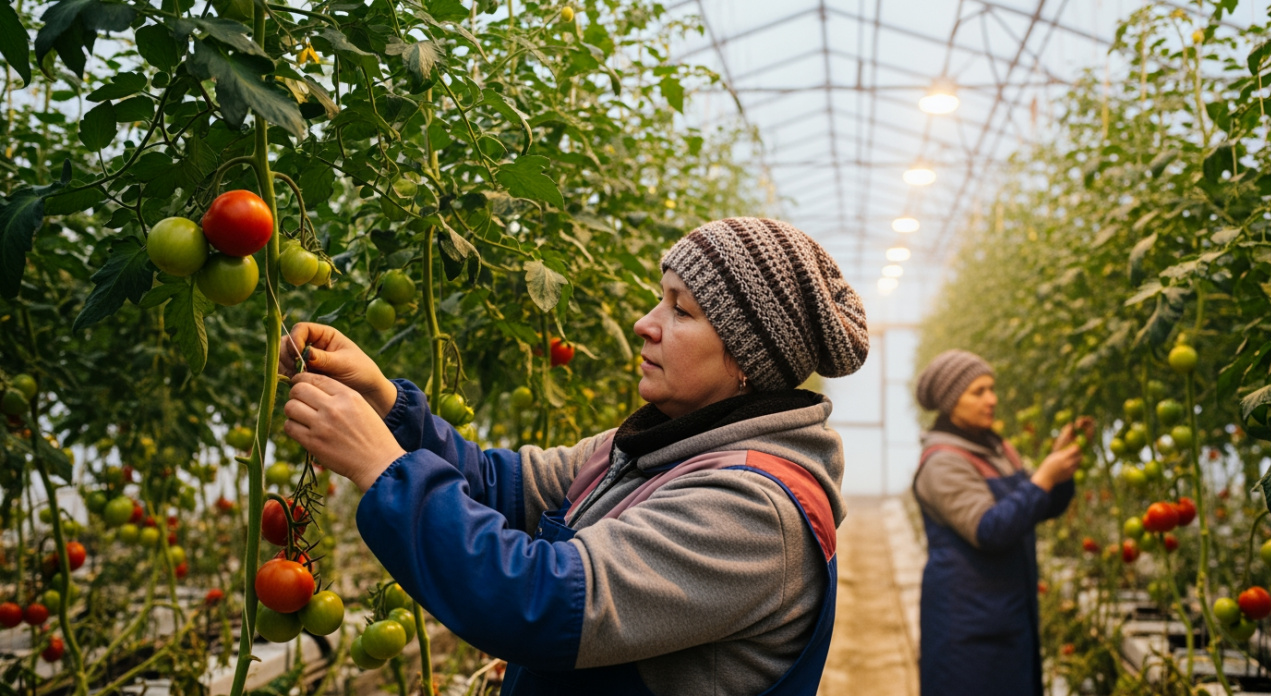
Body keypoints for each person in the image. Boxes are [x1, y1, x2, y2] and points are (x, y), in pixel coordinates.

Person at [278, 218, 871, 696]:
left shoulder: (752, 510)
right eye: (658, 301)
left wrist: (384, 469)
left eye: (680, 310)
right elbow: (501, 486)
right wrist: (386, 405)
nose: (645, 324)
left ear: (746, 361)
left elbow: (543, 604)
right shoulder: (652, 446)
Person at [910, 349, 1090, 696]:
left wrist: (1058, 470)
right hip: (966, 622)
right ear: (951, 401)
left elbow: (1033, 508)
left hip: (1007, 611)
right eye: (978, 392)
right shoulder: (943, 463)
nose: (992, 400)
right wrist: (1043, 478)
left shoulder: (997, 449)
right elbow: (990, 529)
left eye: (992, 388)